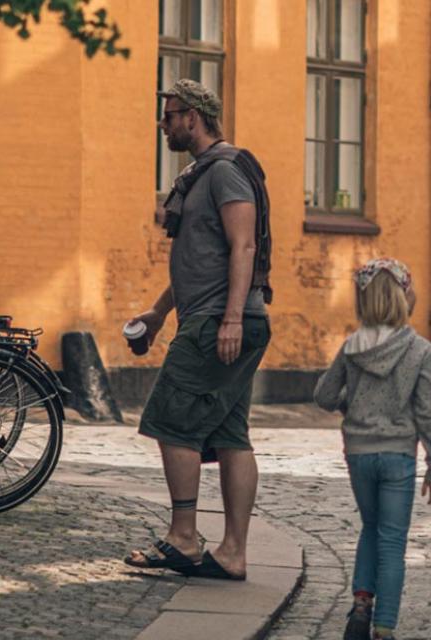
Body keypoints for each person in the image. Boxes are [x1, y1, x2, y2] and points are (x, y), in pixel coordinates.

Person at [124, 79, 274, 582]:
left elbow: (244, 247)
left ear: (193, 117)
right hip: (215, 317)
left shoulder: (226, 172)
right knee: (232, 436)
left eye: (169, 117)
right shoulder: (201, 174)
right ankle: (232, 552)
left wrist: (230, 318)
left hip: (220, 323)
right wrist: (160, 312)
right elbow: (200, 260)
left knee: (170, 421)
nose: (163, 126)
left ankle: (184, 537)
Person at [314, 258, 431, 640]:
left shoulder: (351, 347)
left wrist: (350, 404)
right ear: (405, 298)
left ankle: (360, 604)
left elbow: (323, 395)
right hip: (398, 456)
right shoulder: (420, 350)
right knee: (392, 542)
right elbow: (428, 414)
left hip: (358, 453)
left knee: (370, 529)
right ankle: (384, 633)